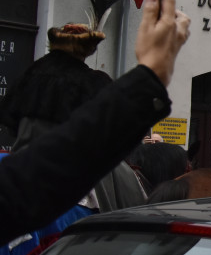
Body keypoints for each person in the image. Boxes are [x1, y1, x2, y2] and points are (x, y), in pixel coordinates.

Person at [0, 0, 189, 244]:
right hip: (71, 152)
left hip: (28, 148)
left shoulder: (34, 70)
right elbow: (100, 127)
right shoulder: (91, 79)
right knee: (125, 192)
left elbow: (12, 115)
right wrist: (150, 78)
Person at [0, 23, 147, 213]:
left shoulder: (30, 74)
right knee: (128, 189)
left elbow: (11, 123)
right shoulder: (93, 81)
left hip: (25, 152)